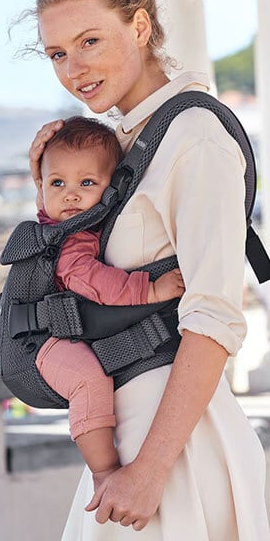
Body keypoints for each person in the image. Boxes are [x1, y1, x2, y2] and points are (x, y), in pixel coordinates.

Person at [23, 0, 270, 541]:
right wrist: (51, 191)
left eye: (89, 41)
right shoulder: (128, 141)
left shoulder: (196, 139)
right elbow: (83, 274)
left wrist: (151, 471)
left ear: (138, 27)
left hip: (172, 455)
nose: (73, 69)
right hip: (126, 435)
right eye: (57, 53)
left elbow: (214, 318)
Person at [35, 115, 185, 490]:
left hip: (63, 334)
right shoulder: (69, 236)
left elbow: (52, 191)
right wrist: (148, 291)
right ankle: (102, 471)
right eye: (58, 183)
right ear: (42, 188)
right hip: (48, 343)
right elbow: (88, 279)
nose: (70, 194)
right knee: (88, 379)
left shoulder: (75, 221)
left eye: (87, 183)